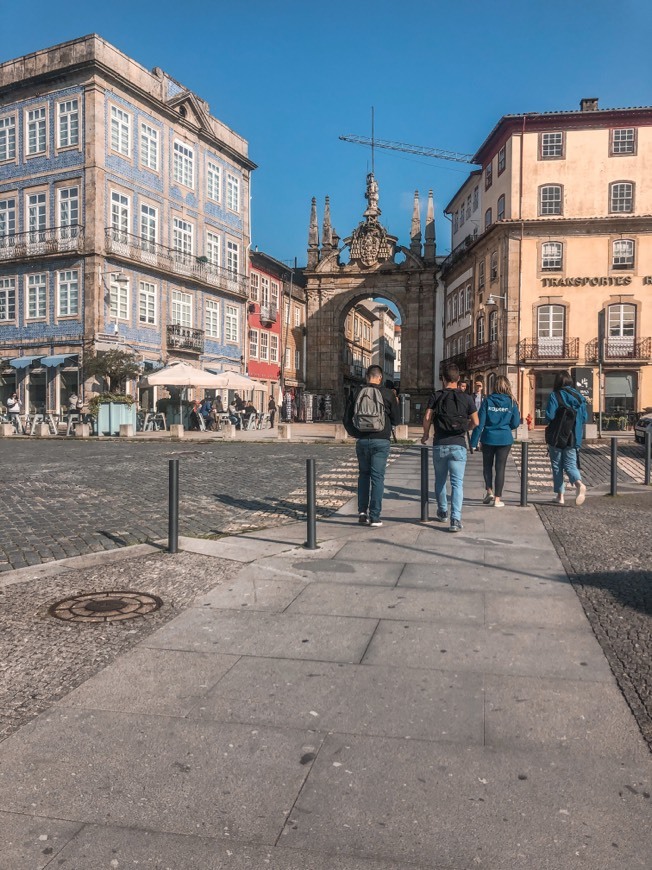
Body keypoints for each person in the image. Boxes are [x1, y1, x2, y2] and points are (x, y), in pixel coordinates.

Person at [421, 363, 479, 532]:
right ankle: (455, 520)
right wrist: (464, 429)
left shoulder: (436, 396)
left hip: (440, 443)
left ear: (443, 379)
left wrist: (426, 434)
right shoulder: (467, 398)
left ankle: (442, 511)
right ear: (458, 378)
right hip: (458, 445)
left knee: (440, 481)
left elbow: (427, 417)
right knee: (457, 483)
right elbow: (476, 422)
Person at [344, 364, 400, 528]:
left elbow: (346, 418)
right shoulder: (387, 393)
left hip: (362, 440)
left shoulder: (356, 392)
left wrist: (356, 432)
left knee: (363, 475)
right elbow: (396, 420)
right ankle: (375, 516)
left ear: (367, 377)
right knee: (378, 478)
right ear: (380, 377)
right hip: (381, 440)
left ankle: (362, 512)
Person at [470, 375, 521, 508]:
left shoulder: (487, 401)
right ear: (507, 386)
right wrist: (505, 427)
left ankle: (489, 491)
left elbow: (479, 423)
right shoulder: (511, 402)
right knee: (500, 468)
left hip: (488, 437)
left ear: (494, 386)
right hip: (504, 438)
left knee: (487, 466)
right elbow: (515, 423)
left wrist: (473, 442)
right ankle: (498, 499)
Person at [545, 370, 588, 506]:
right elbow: (585, 418)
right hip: (574, 437)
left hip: (557, 436)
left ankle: (560, 496)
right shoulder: (579, 397)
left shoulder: (555, 395)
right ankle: (579, 484)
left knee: (557, 465)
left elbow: (549, 416)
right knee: (570, 464)